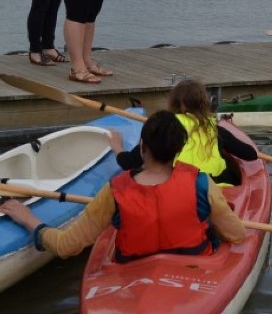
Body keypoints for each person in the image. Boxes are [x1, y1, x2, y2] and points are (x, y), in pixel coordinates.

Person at [0, 110, 246, 262]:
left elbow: (67, 246)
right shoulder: (202, 183)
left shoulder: (114, 191)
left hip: (133, 274)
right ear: (178, 150)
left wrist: (29, 220)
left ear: (142, 148)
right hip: (193, 267)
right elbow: (236, 234)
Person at [110, 79, 258, 185]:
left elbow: (128, 163)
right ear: (203, 103)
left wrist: (117, 147)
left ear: (175, 103)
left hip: (179, 188)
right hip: (217, 186)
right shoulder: (215, 129)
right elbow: (251, 154)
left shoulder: (164, 128)